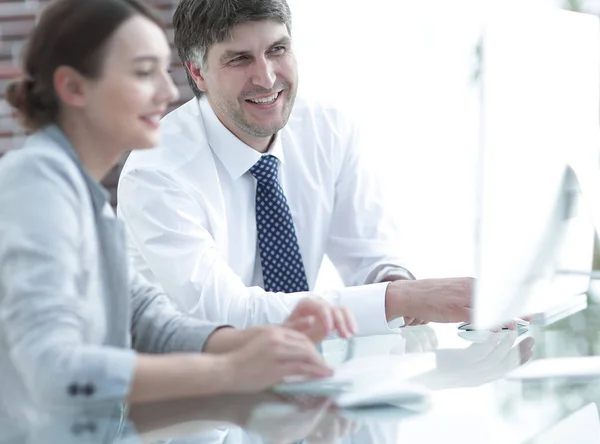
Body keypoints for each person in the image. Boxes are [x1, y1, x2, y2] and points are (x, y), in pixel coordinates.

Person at [0, 0, 356, 425]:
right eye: (143, 72)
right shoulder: (36, 185)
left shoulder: (83, 197)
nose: (169, 92)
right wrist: (230, 370)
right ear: (75, 89)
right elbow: (54, 371)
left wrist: (263, 341)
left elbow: (150, 323)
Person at [117, 0, 476, 336]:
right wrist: (396, 300)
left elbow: (370, 251)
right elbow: (223, 315)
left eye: (277, 50)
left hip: (302, 373)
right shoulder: (156, 171)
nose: (267, 78)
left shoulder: (328, 129)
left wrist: (397, 285)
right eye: (240, 59)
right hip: (185, 389)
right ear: (197, 73)